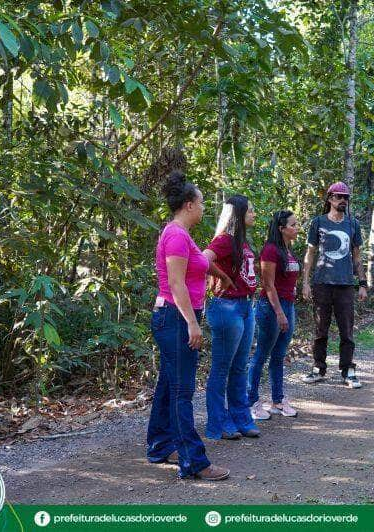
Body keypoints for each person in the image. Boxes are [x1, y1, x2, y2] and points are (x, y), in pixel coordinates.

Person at [146, 170, 229, 481]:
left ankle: (159, 445)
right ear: (190, 204)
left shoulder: (179, 234)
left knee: (169, 384)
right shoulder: (177, 235)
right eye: (203, 202)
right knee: (182, 391)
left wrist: (221, 275)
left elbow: (201, 263)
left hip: (172, 317)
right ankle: (194, 461)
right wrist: (192, 324)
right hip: (176, 318)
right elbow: (177, 284)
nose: (204, 208)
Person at [203, 195, 260, 440]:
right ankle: (219, 421)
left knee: (240, 366)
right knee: (222, 368)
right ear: (239, 215)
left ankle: (241, 417)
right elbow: (203, 259)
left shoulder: (242, 241)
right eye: (251, 211)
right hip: (227, 308)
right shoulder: (224, 240)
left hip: (246, 307)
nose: (254, 215)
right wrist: (222, 277)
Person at [301, 182, 368, 388]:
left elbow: (357, 257)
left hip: (345, 284)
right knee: (321, 328)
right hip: (322, 283)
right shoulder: (318, 222)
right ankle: (318, 368)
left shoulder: (352, 224)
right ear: (330, 199)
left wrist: (362, 283)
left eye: (346, 197)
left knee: (346, 330)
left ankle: (348, 370)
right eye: (339, 197)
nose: (342, 201)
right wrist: (305, 282)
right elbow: (310, 254)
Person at [247, 211, 301, 420]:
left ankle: (277, 400)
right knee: (262, 353)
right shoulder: (270, 250)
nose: (297, 227)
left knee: (279, 355)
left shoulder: (288, 249)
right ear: (281, 228)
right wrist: (279, 312)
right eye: (293, 224)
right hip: (271, 308)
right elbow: (268, 284)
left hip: (288, 305)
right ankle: (251, 401)